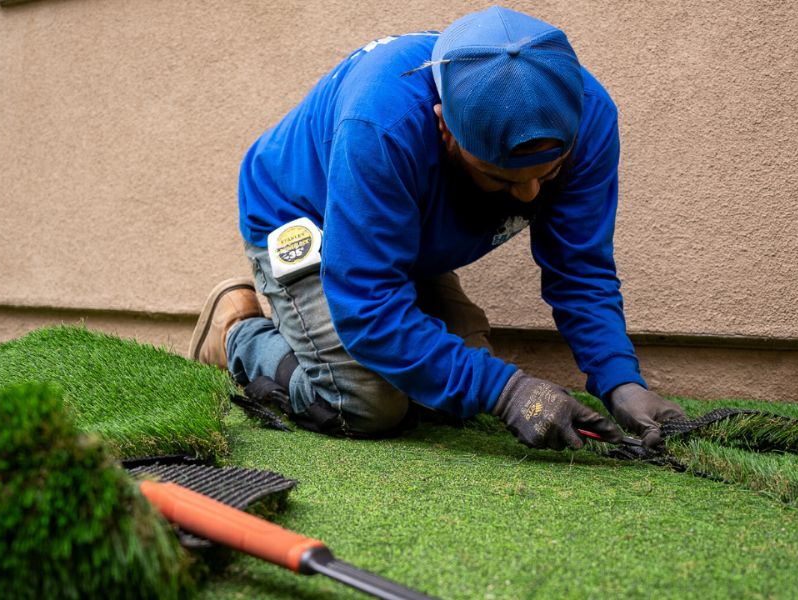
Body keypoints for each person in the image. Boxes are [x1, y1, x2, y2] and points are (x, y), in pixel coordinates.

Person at [189, 6, 685, 450]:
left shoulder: (588, 119)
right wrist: (506, 391)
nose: (531, 196)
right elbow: (368, 309)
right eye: (501, 178)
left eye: (548, 174)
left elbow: (579, 266)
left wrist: (621, 381)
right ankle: (238, 330)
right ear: (444, 124)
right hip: (304, 218)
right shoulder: (382, 125)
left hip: (400, 236)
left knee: (444, 399)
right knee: (365, 404)